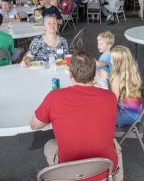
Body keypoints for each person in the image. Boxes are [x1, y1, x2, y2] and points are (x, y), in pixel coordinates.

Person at [29, 51, 123, 181]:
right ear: (95, 73)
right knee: (115, 146)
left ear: (71, 74)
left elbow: (34, 125)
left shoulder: (54, 97)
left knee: (49, 145)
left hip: (70, 173)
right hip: (104, 169)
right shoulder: (110, 97)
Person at [108, 46, 143, 127]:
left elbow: (113, 101)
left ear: (117, 62)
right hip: (135, 113)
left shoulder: (116, 78)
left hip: (126, 115)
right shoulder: (131, 70)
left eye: (111, 58)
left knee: (98, 114)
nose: (109, 60)